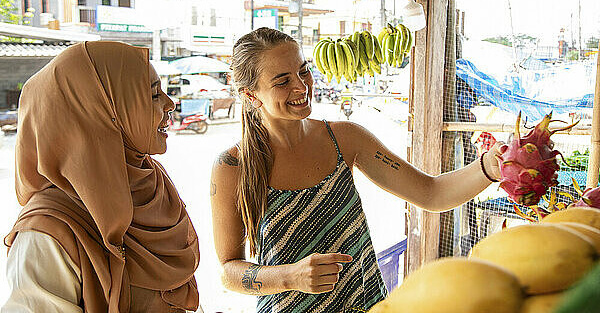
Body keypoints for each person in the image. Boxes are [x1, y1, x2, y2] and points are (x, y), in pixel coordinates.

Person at [210, 27, 504, 312]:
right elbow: (228, 271)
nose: (302, 86)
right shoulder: (232, 167)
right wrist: (290, 276)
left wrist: (488, 167)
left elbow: (431, 193)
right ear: (251, 95)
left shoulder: (345, 138)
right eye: (282, 81)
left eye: (304, 70)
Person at [2, 41, 200, 313]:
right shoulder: (49, 232)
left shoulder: (153, 184)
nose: (170, 103)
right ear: (100, 113)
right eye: (153, 95)